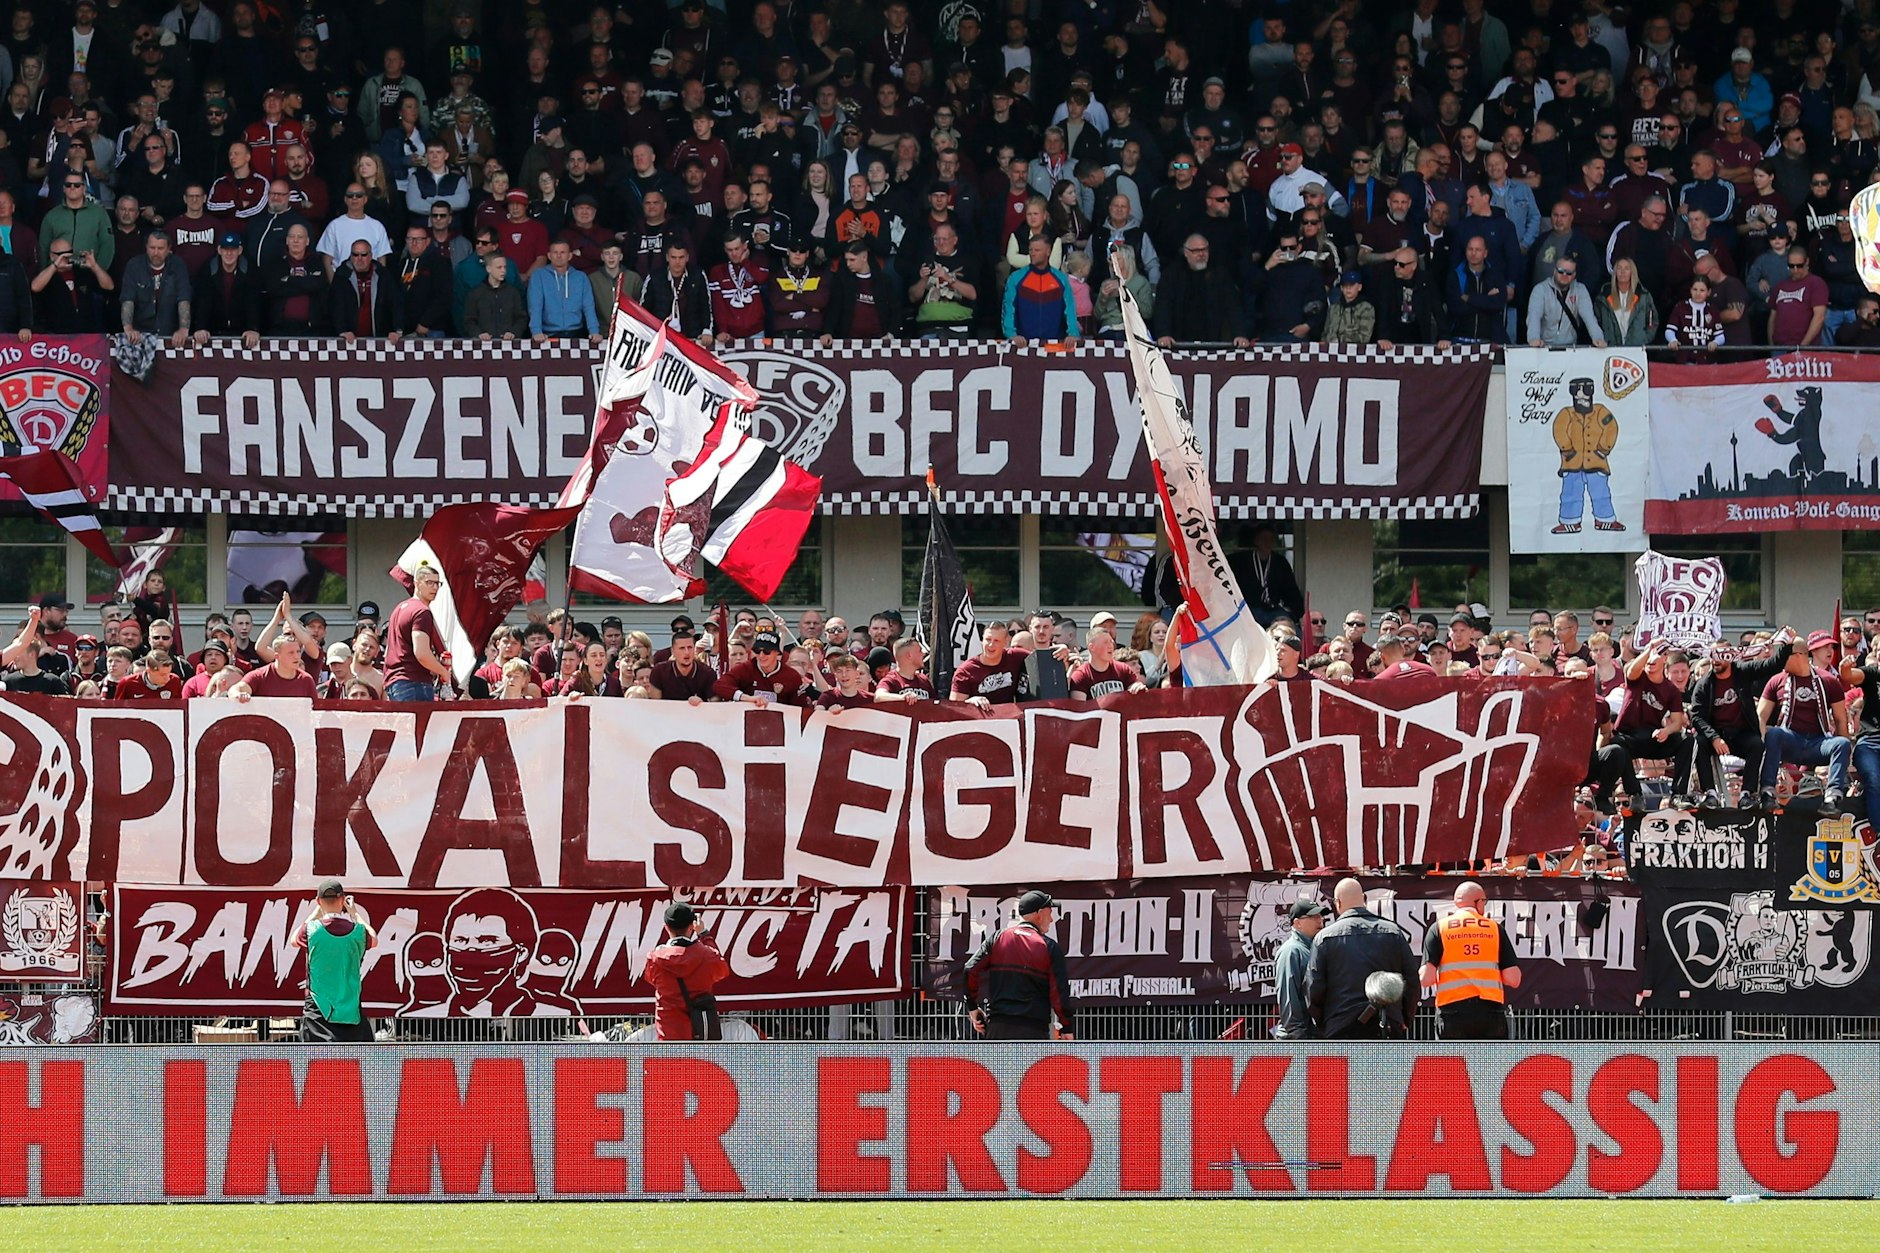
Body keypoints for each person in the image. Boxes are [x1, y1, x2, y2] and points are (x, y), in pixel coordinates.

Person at [1304, 877, 1420, 1039]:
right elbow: (1412, 980)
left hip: (1341, 1027)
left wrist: (1325, 1023)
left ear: (1338, 903)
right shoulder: (1393, 932)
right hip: (1386, 1025)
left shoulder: (1324, 938)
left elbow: (1314, 987)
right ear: (1364, 899)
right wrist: (1404, 1018)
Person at [1758, 630, 1852, 810]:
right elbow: (1760, 716)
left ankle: (1832, 798)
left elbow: (1841, 719)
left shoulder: (1828, 680)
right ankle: (1767, 792)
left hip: (1818, 742)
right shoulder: (1776, 680)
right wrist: (1760, 742)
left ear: (1799, 655)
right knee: (1774, 733)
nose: (1778, 660)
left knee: (1842, 743)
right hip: (1790, 740)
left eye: (1783, 656)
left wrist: (1846, 760)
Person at [963, 889, 1074, 1040]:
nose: (1052, 919)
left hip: (998, 1028)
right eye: (1050, 913)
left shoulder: (998, 938)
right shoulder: (1049, 947)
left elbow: (970, 969)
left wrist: (972, 1007)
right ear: (1039, 913)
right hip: (1033, 1031)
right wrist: (1066, 1027)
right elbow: (1059, 993)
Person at [1419, 881, 1522, 1040]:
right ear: (1478, 902)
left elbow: (1426, 979)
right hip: (1490, 1011)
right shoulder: (1495, 929)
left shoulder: (1439, 928)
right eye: (1484, 902)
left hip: (1451, 1012)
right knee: (1489, 1057)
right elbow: (1513, 979)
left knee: (1453, 1057)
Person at [290, 879, 378, 1043]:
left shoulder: (311, 930)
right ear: (342, 900)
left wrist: (316, 912)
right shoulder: (358, 931)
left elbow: (293, 940)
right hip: (350, 1008)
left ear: (318, 901)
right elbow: (374, 939)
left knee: (314, 1057)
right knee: (355, 1057)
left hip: (318, 1009)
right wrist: (355, 913)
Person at [644, 901, 730, 1041]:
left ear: (666, 927)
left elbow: (650, 979)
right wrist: (704, 935)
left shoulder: (655, 958)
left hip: (669, 1035)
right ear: (692, 927)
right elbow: (722, 970)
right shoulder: (706, 955)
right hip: (701, 1033)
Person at [383, 563, 454, 701]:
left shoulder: (399, 608)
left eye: (437, 583)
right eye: (429, 582)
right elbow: (421, 653)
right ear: (416, 583)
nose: (434, 588)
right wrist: (443, 672)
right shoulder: (422, 611)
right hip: (413, 683)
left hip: (394, 682)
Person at [1272, 899, 1330, 1040]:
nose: (1320, 920)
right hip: (1299, 1038)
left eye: (1321, 916)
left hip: (1311, 1036)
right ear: (1297, 923)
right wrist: (1299, 1038)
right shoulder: (1291, 951)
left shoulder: (1313, 949)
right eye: (1314, 917)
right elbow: (1288, 998)